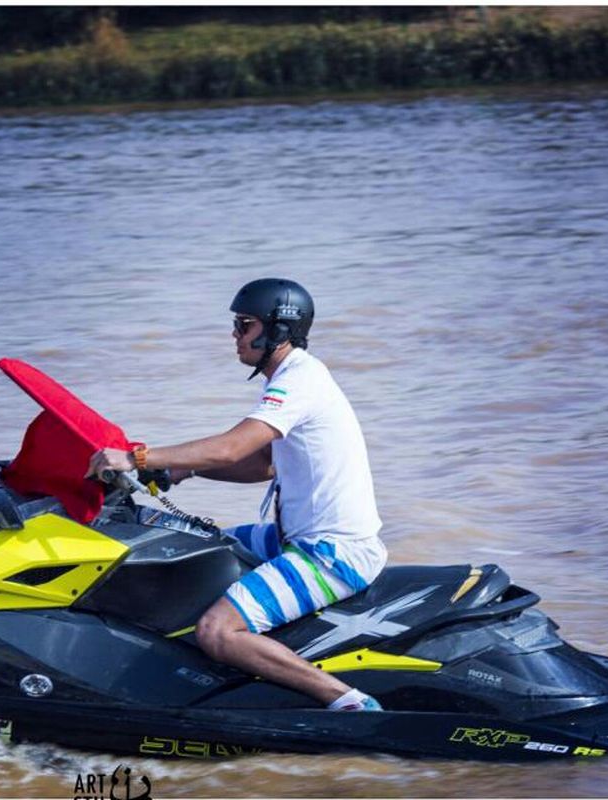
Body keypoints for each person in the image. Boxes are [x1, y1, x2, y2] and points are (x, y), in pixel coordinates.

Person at [86, 278, 387, 712]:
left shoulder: (300, 380)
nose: (234, 334)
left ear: (278, 330)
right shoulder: (295, 376)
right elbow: (263, 464)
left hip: (333, 553)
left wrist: (138, 458)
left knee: (217, 631)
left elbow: (231, 448)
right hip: (294, 537)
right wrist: (179, 470)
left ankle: (348, 702)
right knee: (202, 548)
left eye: (243, 324)